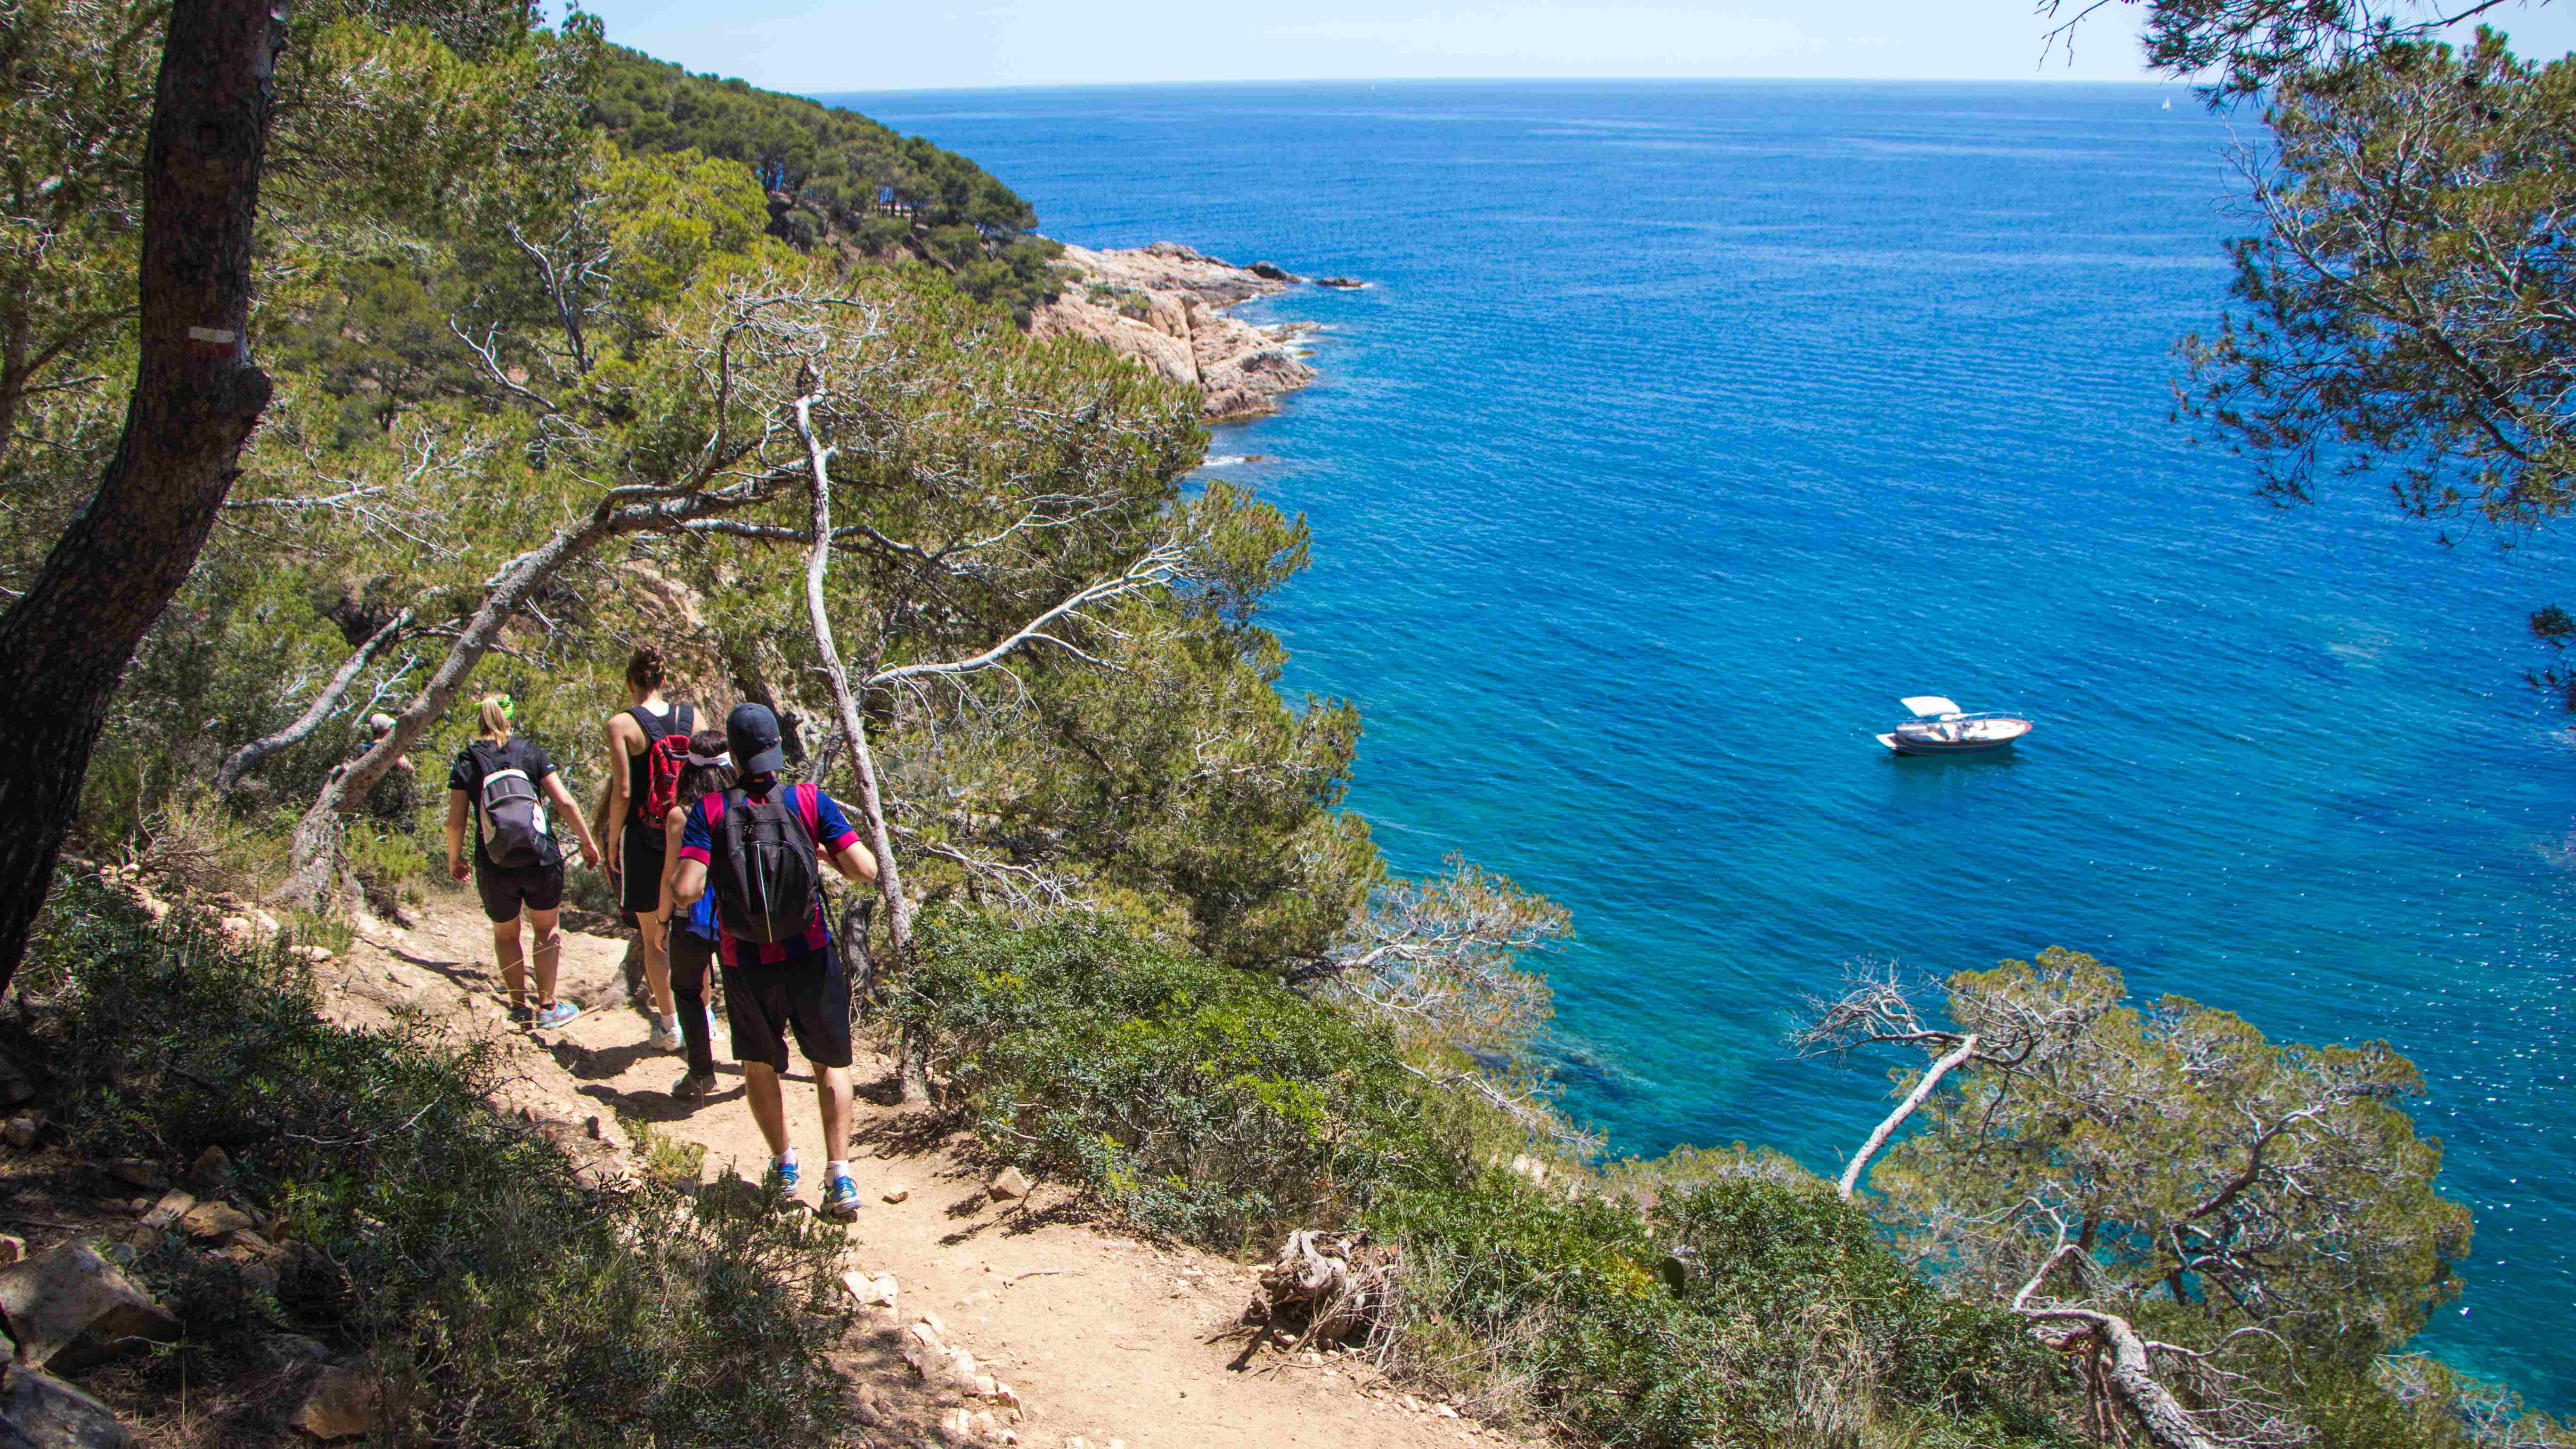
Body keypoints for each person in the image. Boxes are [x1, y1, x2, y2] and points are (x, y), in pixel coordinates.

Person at [669, 703, 877, 1219]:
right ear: (777, 750)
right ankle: (840, 1175)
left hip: (746, 961)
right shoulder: (808, 800)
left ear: (733, 756)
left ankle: (784, 1165)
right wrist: (819, 851)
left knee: (759, 1065)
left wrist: (706, 865)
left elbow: (686, 889)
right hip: (809, 952)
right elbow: (866, 870)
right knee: (830, 1063)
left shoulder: (711, 811)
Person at [445, 696, 603, 1028]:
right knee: (546, 930)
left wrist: (454, 858)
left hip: (494, 860)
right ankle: (547, 1006)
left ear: (480, 722)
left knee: (506, 934)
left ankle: (518, 1007)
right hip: (540, 857)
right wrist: (588, 843)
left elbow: (456, 821)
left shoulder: (467, 760)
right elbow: (564, 802)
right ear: (510, 719)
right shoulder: (529, 752)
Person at [603, 646, 691, 1052]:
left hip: (643, 837)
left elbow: (622, 791)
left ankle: (670, 1026)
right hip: (687, 834)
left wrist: (612, 839)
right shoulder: (692, 718)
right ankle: (702, 1021)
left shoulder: (622, 724)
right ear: (664, 679)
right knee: (690, 932)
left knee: (653, 935)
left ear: (630, 682)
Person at [657, 728, 734, 1100]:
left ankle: (701, 1073)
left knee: (686, 989)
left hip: (692, 917)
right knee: (744, 991)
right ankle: (762, 1064)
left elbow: (671, 875)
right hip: (738, 914)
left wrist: (661, 921)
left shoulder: (680, 815)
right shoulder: (742, 805)